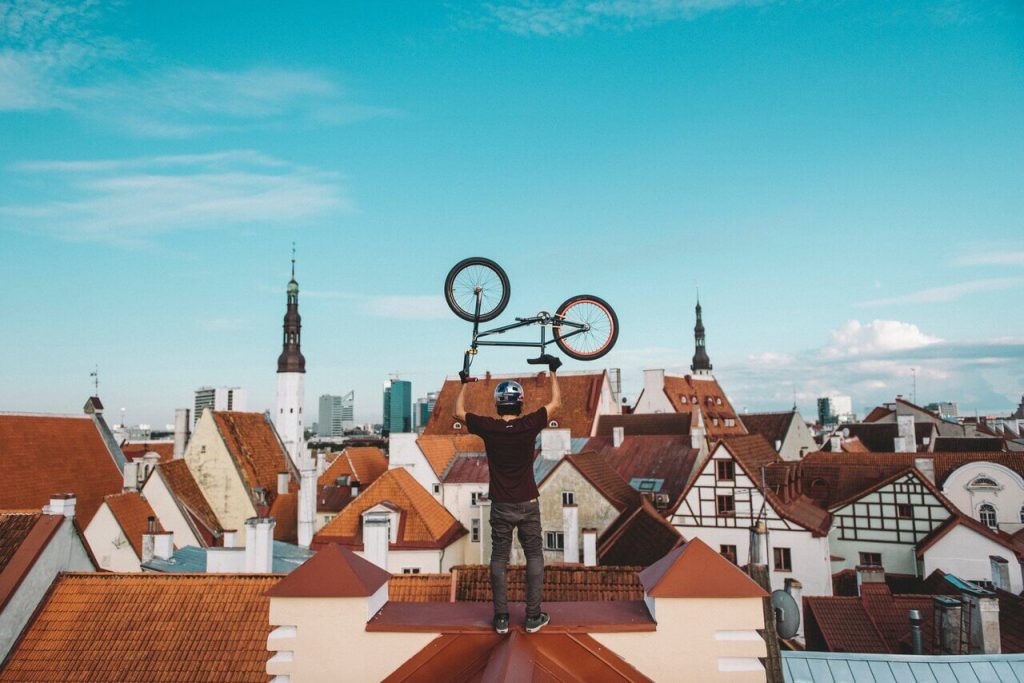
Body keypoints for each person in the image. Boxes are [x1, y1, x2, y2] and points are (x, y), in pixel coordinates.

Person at [454, 355, 561, 634]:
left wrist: (464, 384)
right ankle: (533, 616)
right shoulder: (529, 425)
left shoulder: (490, 428)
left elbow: (458, 413)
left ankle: (501, 618)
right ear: (521, 403)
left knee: (499, 558)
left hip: (501, 504)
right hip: (528, 502)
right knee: (535, 556)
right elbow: (556, 404)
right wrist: (552, 371)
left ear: (498, 404)